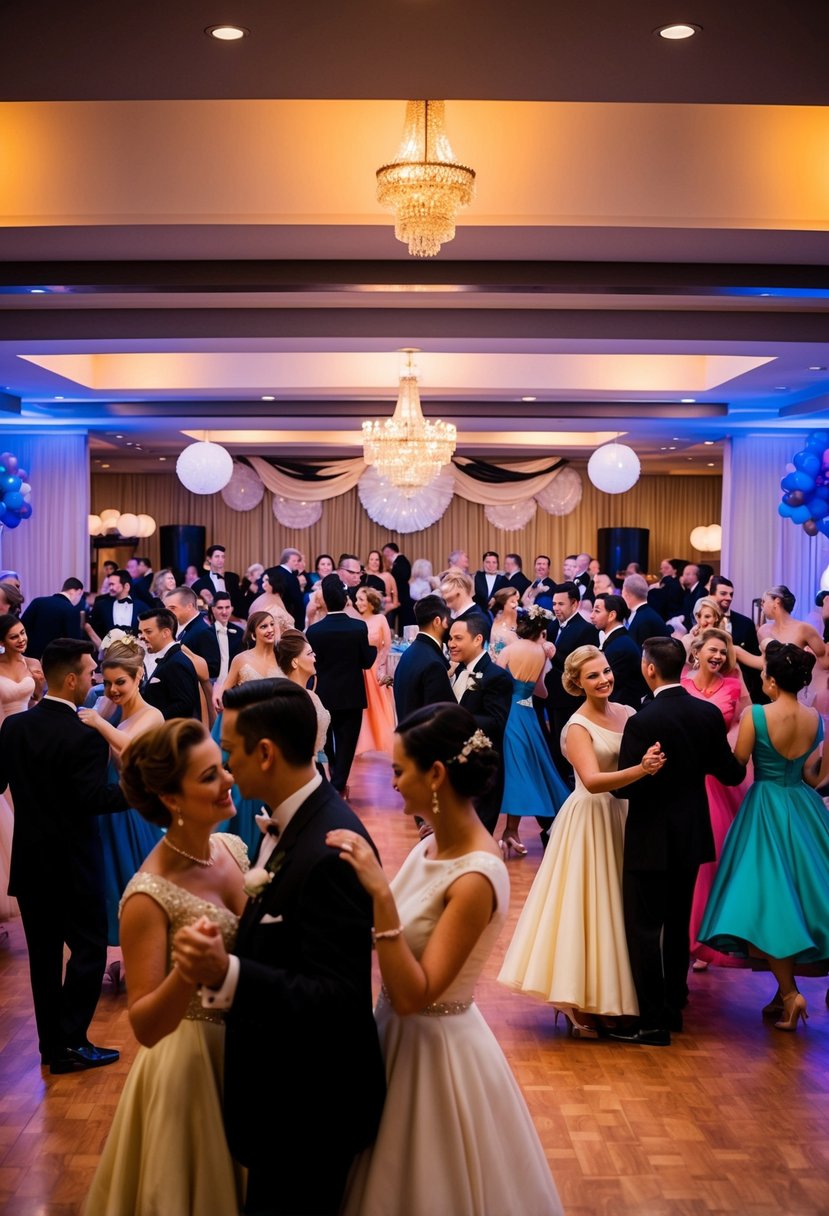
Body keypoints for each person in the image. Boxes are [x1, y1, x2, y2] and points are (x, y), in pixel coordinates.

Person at [327, 702, 563, 1216]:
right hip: (394, 1037)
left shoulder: (476, 876)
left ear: (435, 774)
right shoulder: (428, 848)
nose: (392, 782)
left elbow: (415, 994)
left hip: (435, 1053)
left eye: (399, 770)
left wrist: (380, 896)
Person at [174, 678, 385, 1216]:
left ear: (265, 753)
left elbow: (339, 996)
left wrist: (226, 973)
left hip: (308, 1111)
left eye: (230, 753)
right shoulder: (292, 825)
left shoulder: (328, 850)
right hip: (285, 1101)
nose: (226, 771)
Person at [83, 719, 248, 1216]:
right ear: (171, 798)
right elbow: (145, 1025)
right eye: (210, 776)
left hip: (247, 1049)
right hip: (191, 1068)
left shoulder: (230, 849)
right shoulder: (147, 895)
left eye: (222, 767)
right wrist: (186, 973)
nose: (228, 780)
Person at [499, 646, 665, 1035]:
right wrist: (642, 770)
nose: (604, 679)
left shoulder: (629, 713)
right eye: (593, 676)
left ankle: (616, 995)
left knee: (620, 907)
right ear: (577, 683)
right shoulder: (576, 726)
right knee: (590, 906)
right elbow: (591, 781)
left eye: (606, 671)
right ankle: (579, 1001)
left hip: (625, 816)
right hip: (592, 818)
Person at [0, 638, 126, 1073]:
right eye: (90, 672)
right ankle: (72, 1042)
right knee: (89, 950)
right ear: (71, 679)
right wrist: (136, 792)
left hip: (31, 860)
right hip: (73, 864)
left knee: (43, 959)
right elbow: (91, 799)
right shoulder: (84, 734)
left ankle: (50, 1047)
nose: (94, 679)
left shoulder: (14, 728)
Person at [614, 636, 746, 1046]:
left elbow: (623, 788)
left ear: (650, 668)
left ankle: (651, 1021)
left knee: (644, 928)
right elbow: (731, 774)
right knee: (676, 926)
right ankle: (674, 1007)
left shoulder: (643, 721)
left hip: (651, 835)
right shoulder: (707, 714)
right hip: (691, 832)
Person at [698, 642, 829, 1031]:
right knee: (804, 897)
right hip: (804, 808)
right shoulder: (815, 718)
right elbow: (813, 777)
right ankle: (782, 993)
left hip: (764, 809)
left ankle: (790, 995)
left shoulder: (756, 715)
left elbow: (737, 767)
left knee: (770, 903)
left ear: (770, 681)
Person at [78, 637, 164, 955]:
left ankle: (144, 958)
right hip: (109, 806)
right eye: (107, 682)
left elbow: (129, 748)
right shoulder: (111, 709)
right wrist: (102, 710)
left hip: (134, 811)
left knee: (135, 882)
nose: (112, 689)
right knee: (110, 885)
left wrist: (99, 721)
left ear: (138, 676)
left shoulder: (152, 715)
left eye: (120, 682)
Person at [681, 628, 750, 970]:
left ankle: (706, 938)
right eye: (713, 650)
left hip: (718, 780)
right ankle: (682, 934)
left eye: (723, 652)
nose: (719, 656)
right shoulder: (682, 685)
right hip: (685, 776)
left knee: (715, 859)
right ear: (697, 652)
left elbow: (744, 724)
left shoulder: (734, 687)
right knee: (686, 859)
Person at [496, 609, 570, 855]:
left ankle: (509, 831)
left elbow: (497, 683)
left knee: (514, 771)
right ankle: (514, 830)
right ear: (541, 631)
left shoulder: (508, 650)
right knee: (533, 767)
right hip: (528, 715)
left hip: (509, 713)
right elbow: (541, 691)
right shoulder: (540, 653)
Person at [211, 611, 281, 855]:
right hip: (246, 731)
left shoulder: (282, 658)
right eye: (263, 626)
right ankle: (236, 843)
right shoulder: (241, 659)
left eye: (271, 625)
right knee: (244, 787)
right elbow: (226, 693)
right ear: (253, 634)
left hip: (273, 731)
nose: (269, 630)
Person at [307, 574, 377, 796]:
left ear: (326, 601)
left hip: (324, 694)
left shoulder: (314, 631)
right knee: (347, 743)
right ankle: (338, 784)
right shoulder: (358, 627)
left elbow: (313, 664)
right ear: (346, 599)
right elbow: (366, 662)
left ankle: (334, 777)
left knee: (327, 741)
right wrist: (374, 649)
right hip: (351, 694)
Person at [447, 613, 513, 833]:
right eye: (450, 638)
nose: (451, 644)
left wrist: (451, 718)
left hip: (481, 771)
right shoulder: (459, 670)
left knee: (476, 835)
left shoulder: (496, 676)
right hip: (457, 769)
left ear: (477, 639)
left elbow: (496, 722)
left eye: (458, 638)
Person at [0, 614, 44, 940]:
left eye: (23, 633)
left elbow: (37, 700)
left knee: (30, 807)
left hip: (30, 740)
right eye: (14, 636)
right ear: (2, 641)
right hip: (3, 739)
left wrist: (39, 684)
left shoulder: (33, 663)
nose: (22, 639)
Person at [544, 581, 600, 781]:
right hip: (550, 694)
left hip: (570, 697)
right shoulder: (551, 626)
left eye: (561, 604)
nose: (556, 608)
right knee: (554, 742)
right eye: (554, 604)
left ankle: (571, 780)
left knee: (568, 743)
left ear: (575, 604)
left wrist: (554, 654)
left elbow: (582, 666)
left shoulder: (586, 630)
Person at [392, 593, 454, 723]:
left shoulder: (408, 653)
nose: (450, 625)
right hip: (421, 734)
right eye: (448, 620)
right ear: (437, 622)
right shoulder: (433, 664)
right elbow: (439, 716)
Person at [276, 628, 331, 769]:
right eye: (309, 653)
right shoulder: (287, 697)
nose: (314, 657)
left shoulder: (312, 696)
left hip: (317, 765)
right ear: (295, 662)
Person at [139, 608, 201, 720]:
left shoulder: (176, 663)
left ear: (166, 633)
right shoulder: (170, 658)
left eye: (148, 632)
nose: (141, 637)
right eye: (141, 632)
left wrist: (153, 719)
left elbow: (185, 705)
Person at [355, 586, 395, 755]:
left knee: (377, 706)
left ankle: (381, 741)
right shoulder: (356, 621)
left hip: (375, 668)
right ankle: (362, 744)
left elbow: (387, 645)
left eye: (361, 599)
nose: (358, 603)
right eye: (357, 599)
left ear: (371, 602)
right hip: (359, 669)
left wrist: (379, 665)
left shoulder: (380, 619)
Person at [592, 592, 648, 708]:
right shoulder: (618, 640)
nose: (591, 616)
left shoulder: (620, 646)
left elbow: (608, 683)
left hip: (621, 710)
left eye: (597, 611)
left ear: (612, 615)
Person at [163, 584, 222, 679]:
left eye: (172, 608)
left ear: (189, 606)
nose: (167, 612)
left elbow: (212, 669)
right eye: (166, 608)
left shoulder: (203, 631)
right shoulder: (177, 626)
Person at [20, 577, 84, 658]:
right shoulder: (71, 610)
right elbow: (75, 643)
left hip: (30, 658)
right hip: (56, 661)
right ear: (79, 591)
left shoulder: (37, 602)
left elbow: (22, 626)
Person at [89, 568, 144, 638]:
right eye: (109, 585)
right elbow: (93, 628)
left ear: (126, 586)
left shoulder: (141, 606)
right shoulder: (101, 606)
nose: (110, 588)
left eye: (112, 584)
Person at [191, 544, 243, 615]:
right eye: (217, 556)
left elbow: (239, 600)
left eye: (223, 557)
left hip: (234, 616)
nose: (220, 560)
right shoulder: (200, 583)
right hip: (212, 617)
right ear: (209, 559)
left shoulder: (233, 577)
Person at [623, 574, 673, 646]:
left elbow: (637, 651)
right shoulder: (647, 614)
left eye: (622, 592)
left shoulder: (642, 620)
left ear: (626, 594)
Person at [246, 566, 296, 633]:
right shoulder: (265, 600)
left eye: (267, 580)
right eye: (263, 581)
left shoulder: (269, 598)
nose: (264, 584)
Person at [210, 590, 245, 684]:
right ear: (213, 609)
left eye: (227, 607)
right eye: (220, 608)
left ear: (231, 609)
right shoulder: (205, 633)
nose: (224, 612)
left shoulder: (240, 633)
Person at [382, 542, 414, 631]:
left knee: (402, 621)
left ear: (390, 551)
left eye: (386, 553)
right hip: (399, 596)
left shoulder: (401, 560)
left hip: (401, 597)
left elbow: (404, 576)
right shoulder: (398, 562)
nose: (385, 557)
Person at [488, 585, 520, 657]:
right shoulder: (497, 626)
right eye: (512, 601)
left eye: (517, 601)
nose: (517, 604)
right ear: (503, 605)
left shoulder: (515, 617)